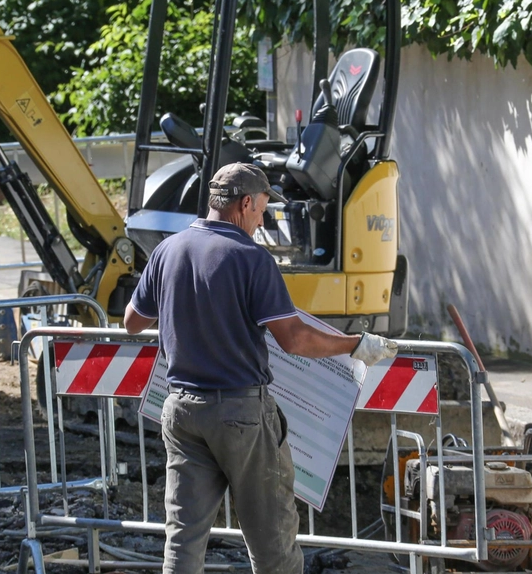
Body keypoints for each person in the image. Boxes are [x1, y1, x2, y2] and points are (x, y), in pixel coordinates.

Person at [124, 162, 399, 574]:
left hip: (181, 411)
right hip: (240, 415)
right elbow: (295, 338)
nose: (262, 219)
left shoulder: (168, 250)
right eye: (262, 210)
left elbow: (132, 321)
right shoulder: (251, 259)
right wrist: (355, 344)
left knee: (183, 541)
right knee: (273, 545)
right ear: (245, 202)